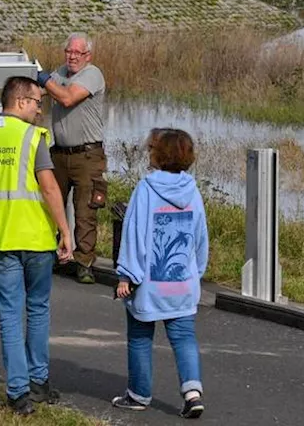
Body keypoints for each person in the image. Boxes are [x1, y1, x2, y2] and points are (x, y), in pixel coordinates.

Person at [0, 76, 74, 416]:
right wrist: (65, 231)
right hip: (35, 238)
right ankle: (39, 382)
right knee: (37, 309)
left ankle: (18, 393)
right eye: (38, 102)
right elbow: (50, 189)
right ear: (20, 101)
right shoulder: (32, 137)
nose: (40, 109)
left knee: (9, 313)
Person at [112, 128, 208, 419]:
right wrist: (196, 272)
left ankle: (139, 394)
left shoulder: (146, 188)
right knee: (184, 338)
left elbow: (134, 234)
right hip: (182, 281)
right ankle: (192, 394)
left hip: (149, 283)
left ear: (158, 154)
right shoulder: (192, 190)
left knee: (140, 336)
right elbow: (200, 237)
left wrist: (126, 275)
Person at [36, 33, 110, 284]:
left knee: (85, 209)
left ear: (87, 56)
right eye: (69, 52)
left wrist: (45, 80)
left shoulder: (92, 74)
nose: (72, 57)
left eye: (77, 53)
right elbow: (41, 91)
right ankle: (56, 255)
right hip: (60, 152)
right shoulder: (60, 73)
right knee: (52, 204)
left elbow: (67, 98)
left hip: (87, 154)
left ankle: (84, 263)